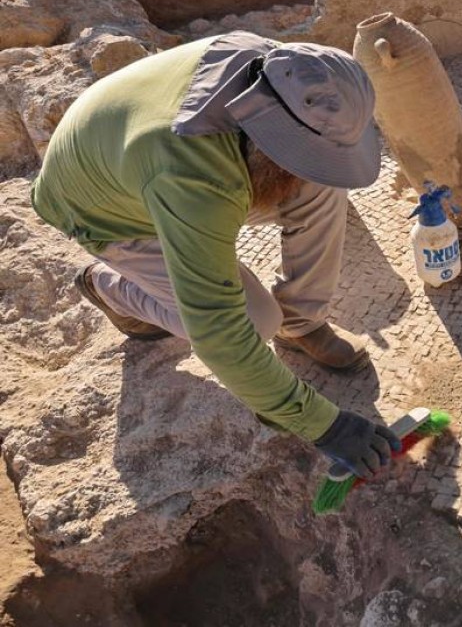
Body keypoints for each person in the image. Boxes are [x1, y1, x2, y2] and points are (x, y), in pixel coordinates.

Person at [31, 31, 400, 480]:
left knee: (321, 182)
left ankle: (301, 322)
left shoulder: (289, 74)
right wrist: (325, 426)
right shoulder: (194, 178)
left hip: (125, 148)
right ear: (267, 144)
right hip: (103, 207)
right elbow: (219, 334)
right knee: (254, 321)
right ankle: (112, 288)